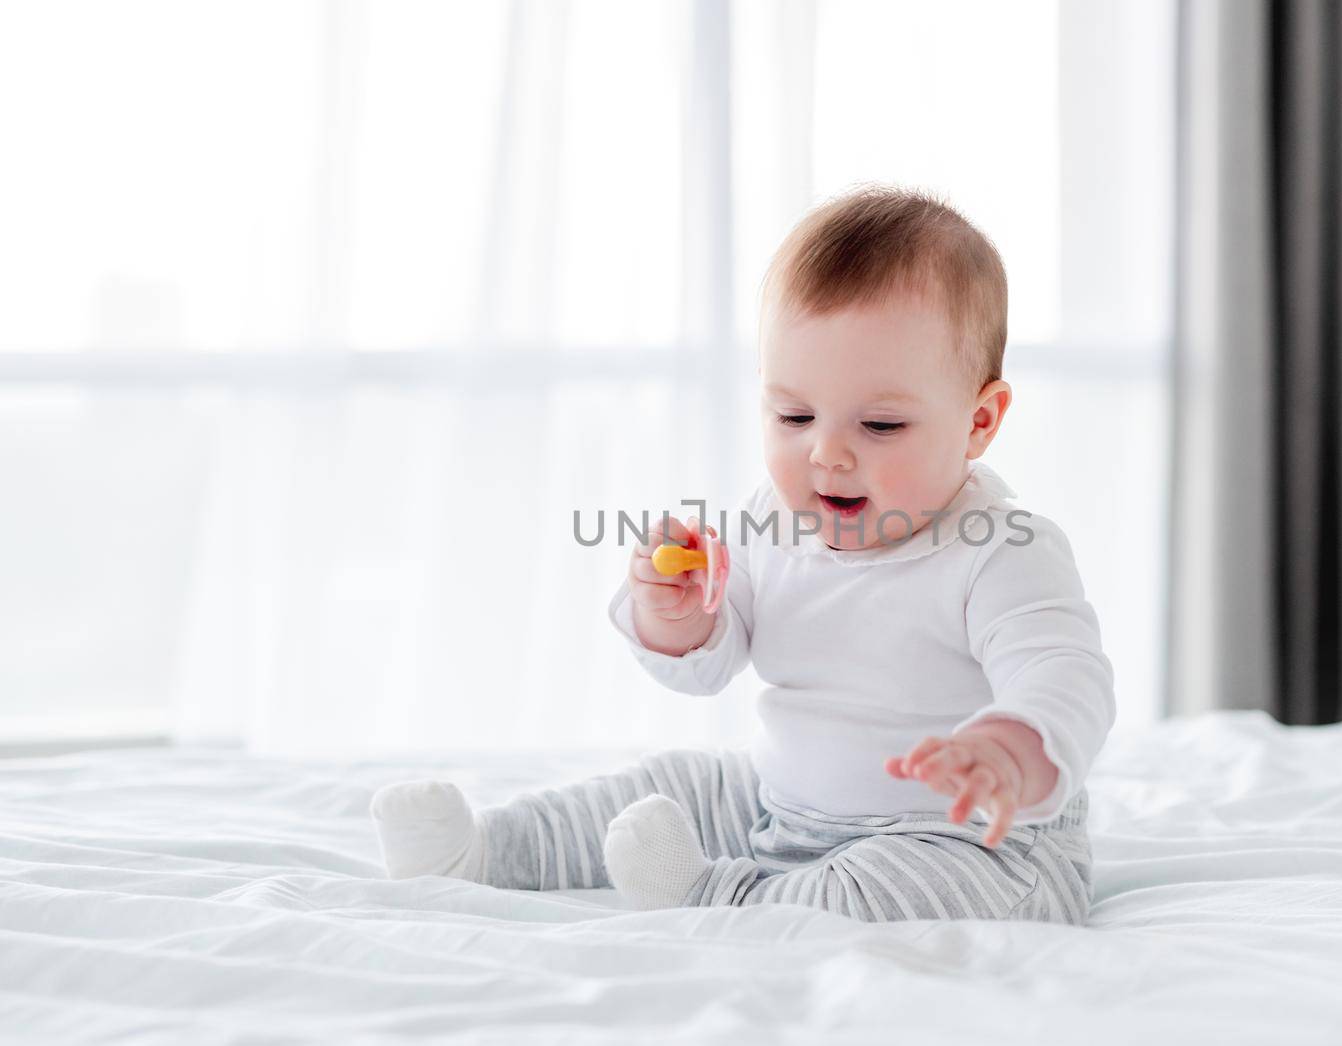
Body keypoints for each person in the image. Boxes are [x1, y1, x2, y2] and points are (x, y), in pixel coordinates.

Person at [372, 184, 1116, 923]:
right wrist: (675, 616)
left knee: (905, 882)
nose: (826, 454)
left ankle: (711, 896)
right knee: (673, 785)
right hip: (781, 805)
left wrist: (1011, 750)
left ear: (979, 421)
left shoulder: (1003, 550)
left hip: (965, 838)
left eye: (881, 425)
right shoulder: (772, 520)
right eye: (794, 414)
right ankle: (483, 850)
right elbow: (710, 665)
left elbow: (1064, 672)